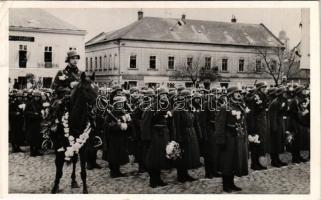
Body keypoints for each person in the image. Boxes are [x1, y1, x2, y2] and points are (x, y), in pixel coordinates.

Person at [215, 86, 248, 193]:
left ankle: (232, 183)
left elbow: (243, 122)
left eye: (239, 92)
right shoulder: (225, 107)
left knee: (235, 161)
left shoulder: (240, 106)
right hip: (228, 138)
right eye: (236, 92)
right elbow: (219, 125)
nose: (239, 94)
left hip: (238, 137)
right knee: (227, 162)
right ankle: (226, 185)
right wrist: (221, 141)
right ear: (231, 94)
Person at [144, 87, 173, 188]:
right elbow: (148, 122)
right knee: (153, 158)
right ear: (158, 96)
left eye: (166, 95)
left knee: (161, 157)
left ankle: (158, 179)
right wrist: (147, 138)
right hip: (155, 134)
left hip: (163, 134)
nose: (164, 97)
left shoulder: (167, 106)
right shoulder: (153, 106)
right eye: (162, 95)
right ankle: (153, 180)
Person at [172, 89, 201, 183]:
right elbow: (176, 125)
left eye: (189, 97)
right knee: (181, 156)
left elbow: (194, 121)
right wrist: (178, 138)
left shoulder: (190, 107)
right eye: (187, 98)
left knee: (188, 155)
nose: (189, 99)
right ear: (182, 98)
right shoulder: (177, 109)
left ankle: (185, 174)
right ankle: (181, 176)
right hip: (183, 134)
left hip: (191, 132)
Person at [105, 96, 129, 178]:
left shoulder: (122, 112)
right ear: (115, 104)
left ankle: (118, 171)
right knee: (113, 155)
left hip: (121, 137)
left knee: (119, 155)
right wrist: (118, 126)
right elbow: (107, 126)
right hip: (113, 138)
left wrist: (126, 123)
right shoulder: (111, 113)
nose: (120, 105)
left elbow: (127, 122)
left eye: (121, 104)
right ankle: (113, 172)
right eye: (119, 104)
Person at [25, 90, 43, 156]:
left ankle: (37, 150)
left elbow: (41, 111)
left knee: (37, 137)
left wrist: (42, 113)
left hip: (38, 122)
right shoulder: (30, 103)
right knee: (32, 137)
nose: (37, 98)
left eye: (38, 97)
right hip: (32, 122)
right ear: (34, 97)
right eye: (36, 96)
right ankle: (32, 151)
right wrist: (33, 114)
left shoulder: (40, 103)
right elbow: (26, 112)